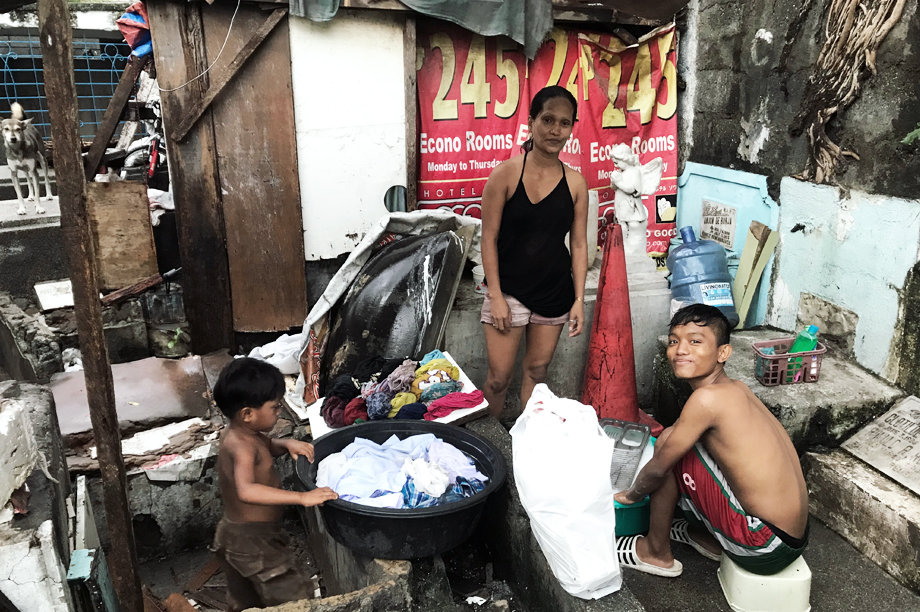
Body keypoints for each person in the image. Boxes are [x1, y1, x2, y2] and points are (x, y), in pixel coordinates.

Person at [614, 304, 809, 577]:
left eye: (695, 341)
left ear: (723, 353)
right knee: (682, 441)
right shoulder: (736, 388)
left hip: (763, 545)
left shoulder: (706, 399)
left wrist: (630, 495)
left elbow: (658, 469)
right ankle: (707, 538)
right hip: (792, 538)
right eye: (674, 341)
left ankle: (655, 552)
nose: (681, 350)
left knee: (669, 448)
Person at [480, 85, 589, 420]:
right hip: (508, 290)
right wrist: (495, 296)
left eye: (564, 123)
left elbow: (579, 244)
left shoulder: (576, 183)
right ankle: (489, 441)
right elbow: (488, 237)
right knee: (498, 379)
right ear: (531, 122)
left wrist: (578, 300)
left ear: (572, 128)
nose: (555, 130)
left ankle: (526, 441)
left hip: (555, 293)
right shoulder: (505, 175)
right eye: (548, 120)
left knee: (537, 373)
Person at [211, 357, 338, 611]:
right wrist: (302, 497)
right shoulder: (242, 446)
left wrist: (286, 444)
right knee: (292, 596)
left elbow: (266, 447)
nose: (279, 411)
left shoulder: (243, 433)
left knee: (245, 599)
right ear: (248, 414)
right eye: (275, 407)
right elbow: (246, 490)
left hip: (237, 537)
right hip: (253, 541)